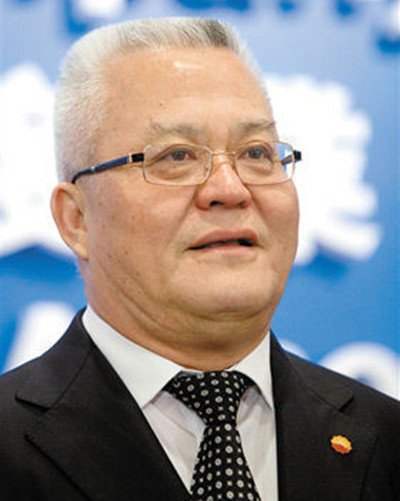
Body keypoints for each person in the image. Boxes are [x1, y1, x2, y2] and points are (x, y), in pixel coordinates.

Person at [0, 17, 399, 501]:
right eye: (176, 156)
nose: (230, 189)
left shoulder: (387, 439)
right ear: (76, 219)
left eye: (256, 153)